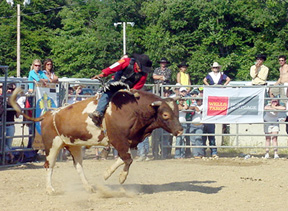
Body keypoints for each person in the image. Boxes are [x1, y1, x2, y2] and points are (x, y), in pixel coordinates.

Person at [89, 53, 152, 127]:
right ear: (137, 63)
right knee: (107, 93)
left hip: (129, 89)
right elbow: (112, 68)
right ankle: (98, 112)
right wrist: (102, 74)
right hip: (116, 83)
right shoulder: (126, 61)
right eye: (141, 67)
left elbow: (139, 85)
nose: (141, 70)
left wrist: (131, 90)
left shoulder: (144, 74)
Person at [174, 88, 190, 159]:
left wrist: (185, 101)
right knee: (178, 139)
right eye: (180, 100)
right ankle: (177, 155)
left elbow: (186, 108)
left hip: (184, 123)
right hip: (178, 124)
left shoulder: (183, 105)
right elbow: (181, 108)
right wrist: (183, 106)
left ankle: (182, 155)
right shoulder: (177, 106)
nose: (181, 101)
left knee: (182, 139)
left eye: (182, 100)